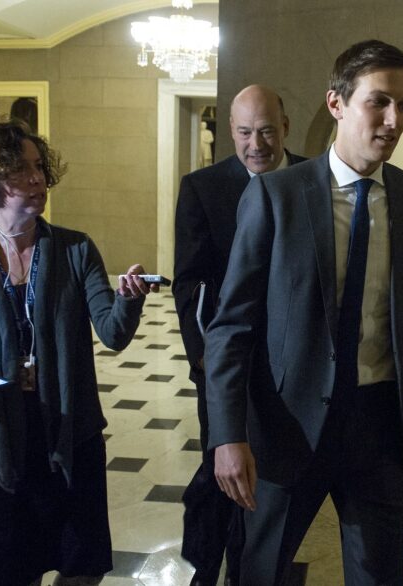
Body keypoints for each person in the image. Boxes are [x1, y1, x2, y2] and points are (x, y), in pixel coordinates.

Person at [205, 40, 403, 585]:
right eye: (379, 102)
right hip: (288, 425)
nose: (394, 119)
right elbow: (231, 326)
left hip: (381, 425)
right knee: (260, 571)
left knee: (381, 574)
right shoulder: (277, 196)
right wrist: (227, 434)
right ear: (337, 103)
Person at [0, 121, 158, 586]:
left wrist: (129, 298)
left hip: (70, 431)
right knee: (8, 567)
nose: (37, 179)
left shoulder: (74, 248)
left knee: (80, 564)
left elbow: (112, 334)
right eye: (20, 169)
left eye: (39, 167)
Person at [173, 85, 306, 586]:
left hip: (294, 365)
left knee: (276, 475)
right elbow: (188, 281)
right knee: (222, 466)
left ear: (286, 127)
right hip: (225, 365)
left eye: (267, 130)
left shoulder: (312, 179)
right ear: (231, 129)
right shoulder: (203, 187)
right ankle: (210, 567)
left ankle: (255, 565)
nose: (256, 144)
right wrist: (205, 357)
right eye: (246, 132)